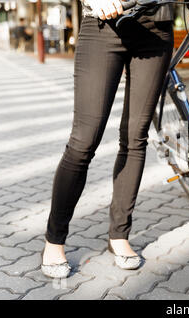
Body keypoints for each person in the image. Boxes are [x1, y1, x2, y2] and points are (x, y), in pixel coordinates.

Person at [40, 0, 174, 278]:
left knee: (135, 138)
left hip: (157, 27)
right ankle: (54, 240)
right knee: (84, 141)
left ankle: (119, 235)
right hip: (104, 26)